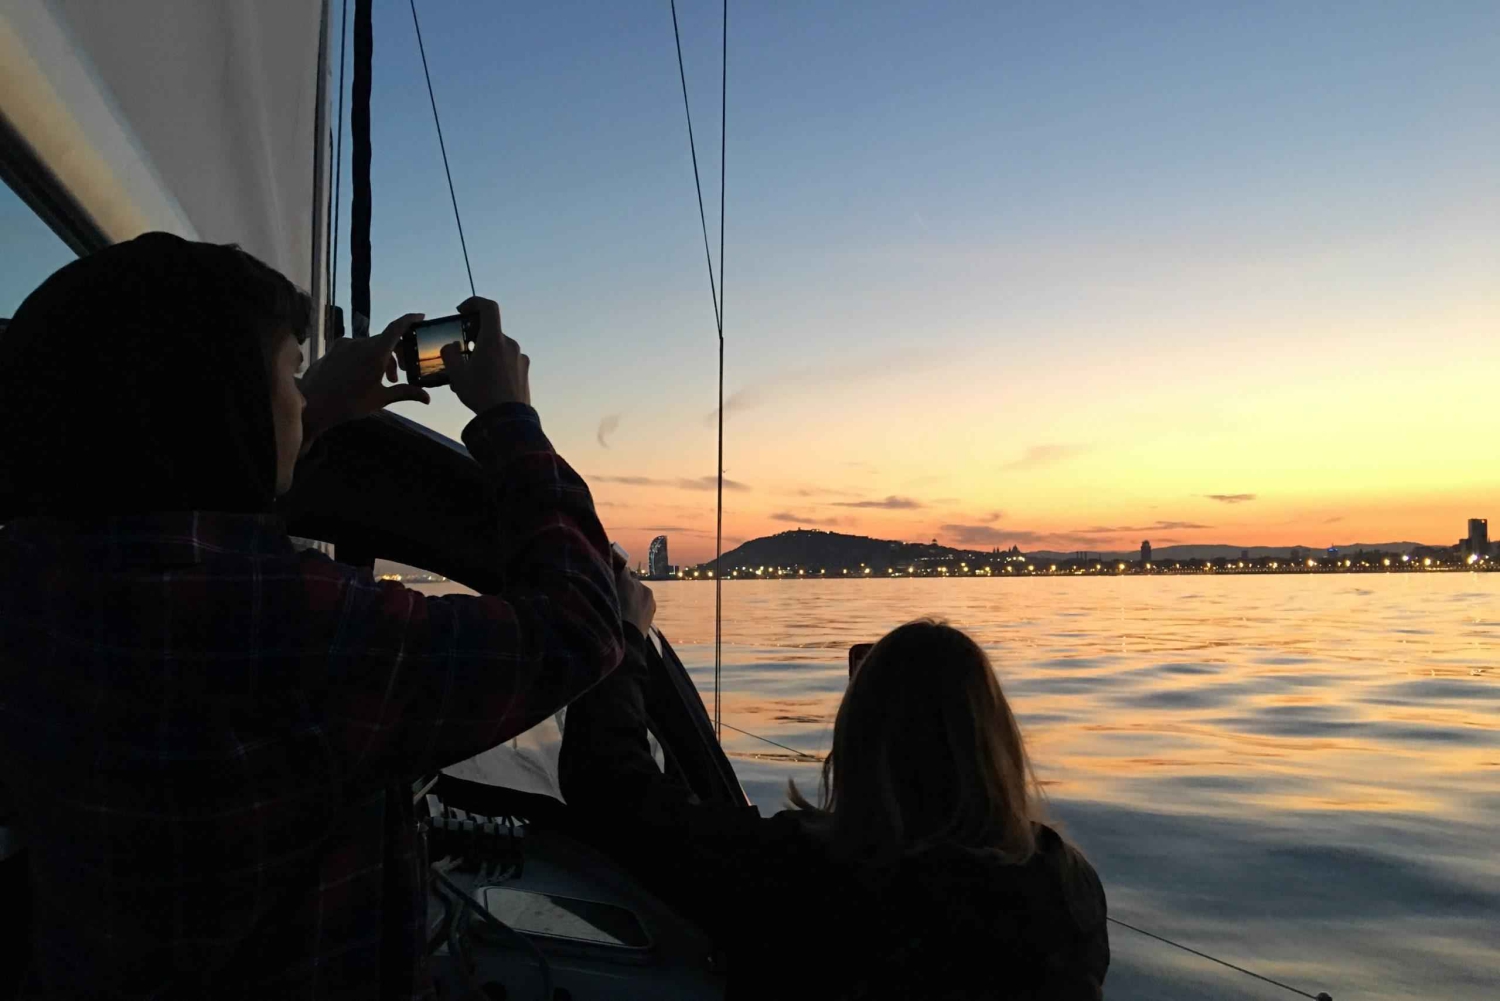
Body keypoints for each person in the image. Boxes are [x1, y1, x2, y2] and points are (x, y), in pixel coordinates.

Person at [0, 232, 623, 998]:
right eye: (289, 374)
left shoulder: (33, 581)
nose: (301, 394)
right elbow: (573, 628)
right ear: (223, 403)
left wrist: (315, 407)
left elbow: (186, 512)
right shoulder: (292, 624)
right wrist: (507, 417)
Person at [560, 606, 1109, 1000]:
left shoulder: (801, 873)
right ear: (998, 742)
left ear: (855, 741)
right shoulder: (1066, 887)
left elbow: (611, 788)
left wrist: (624, 629)